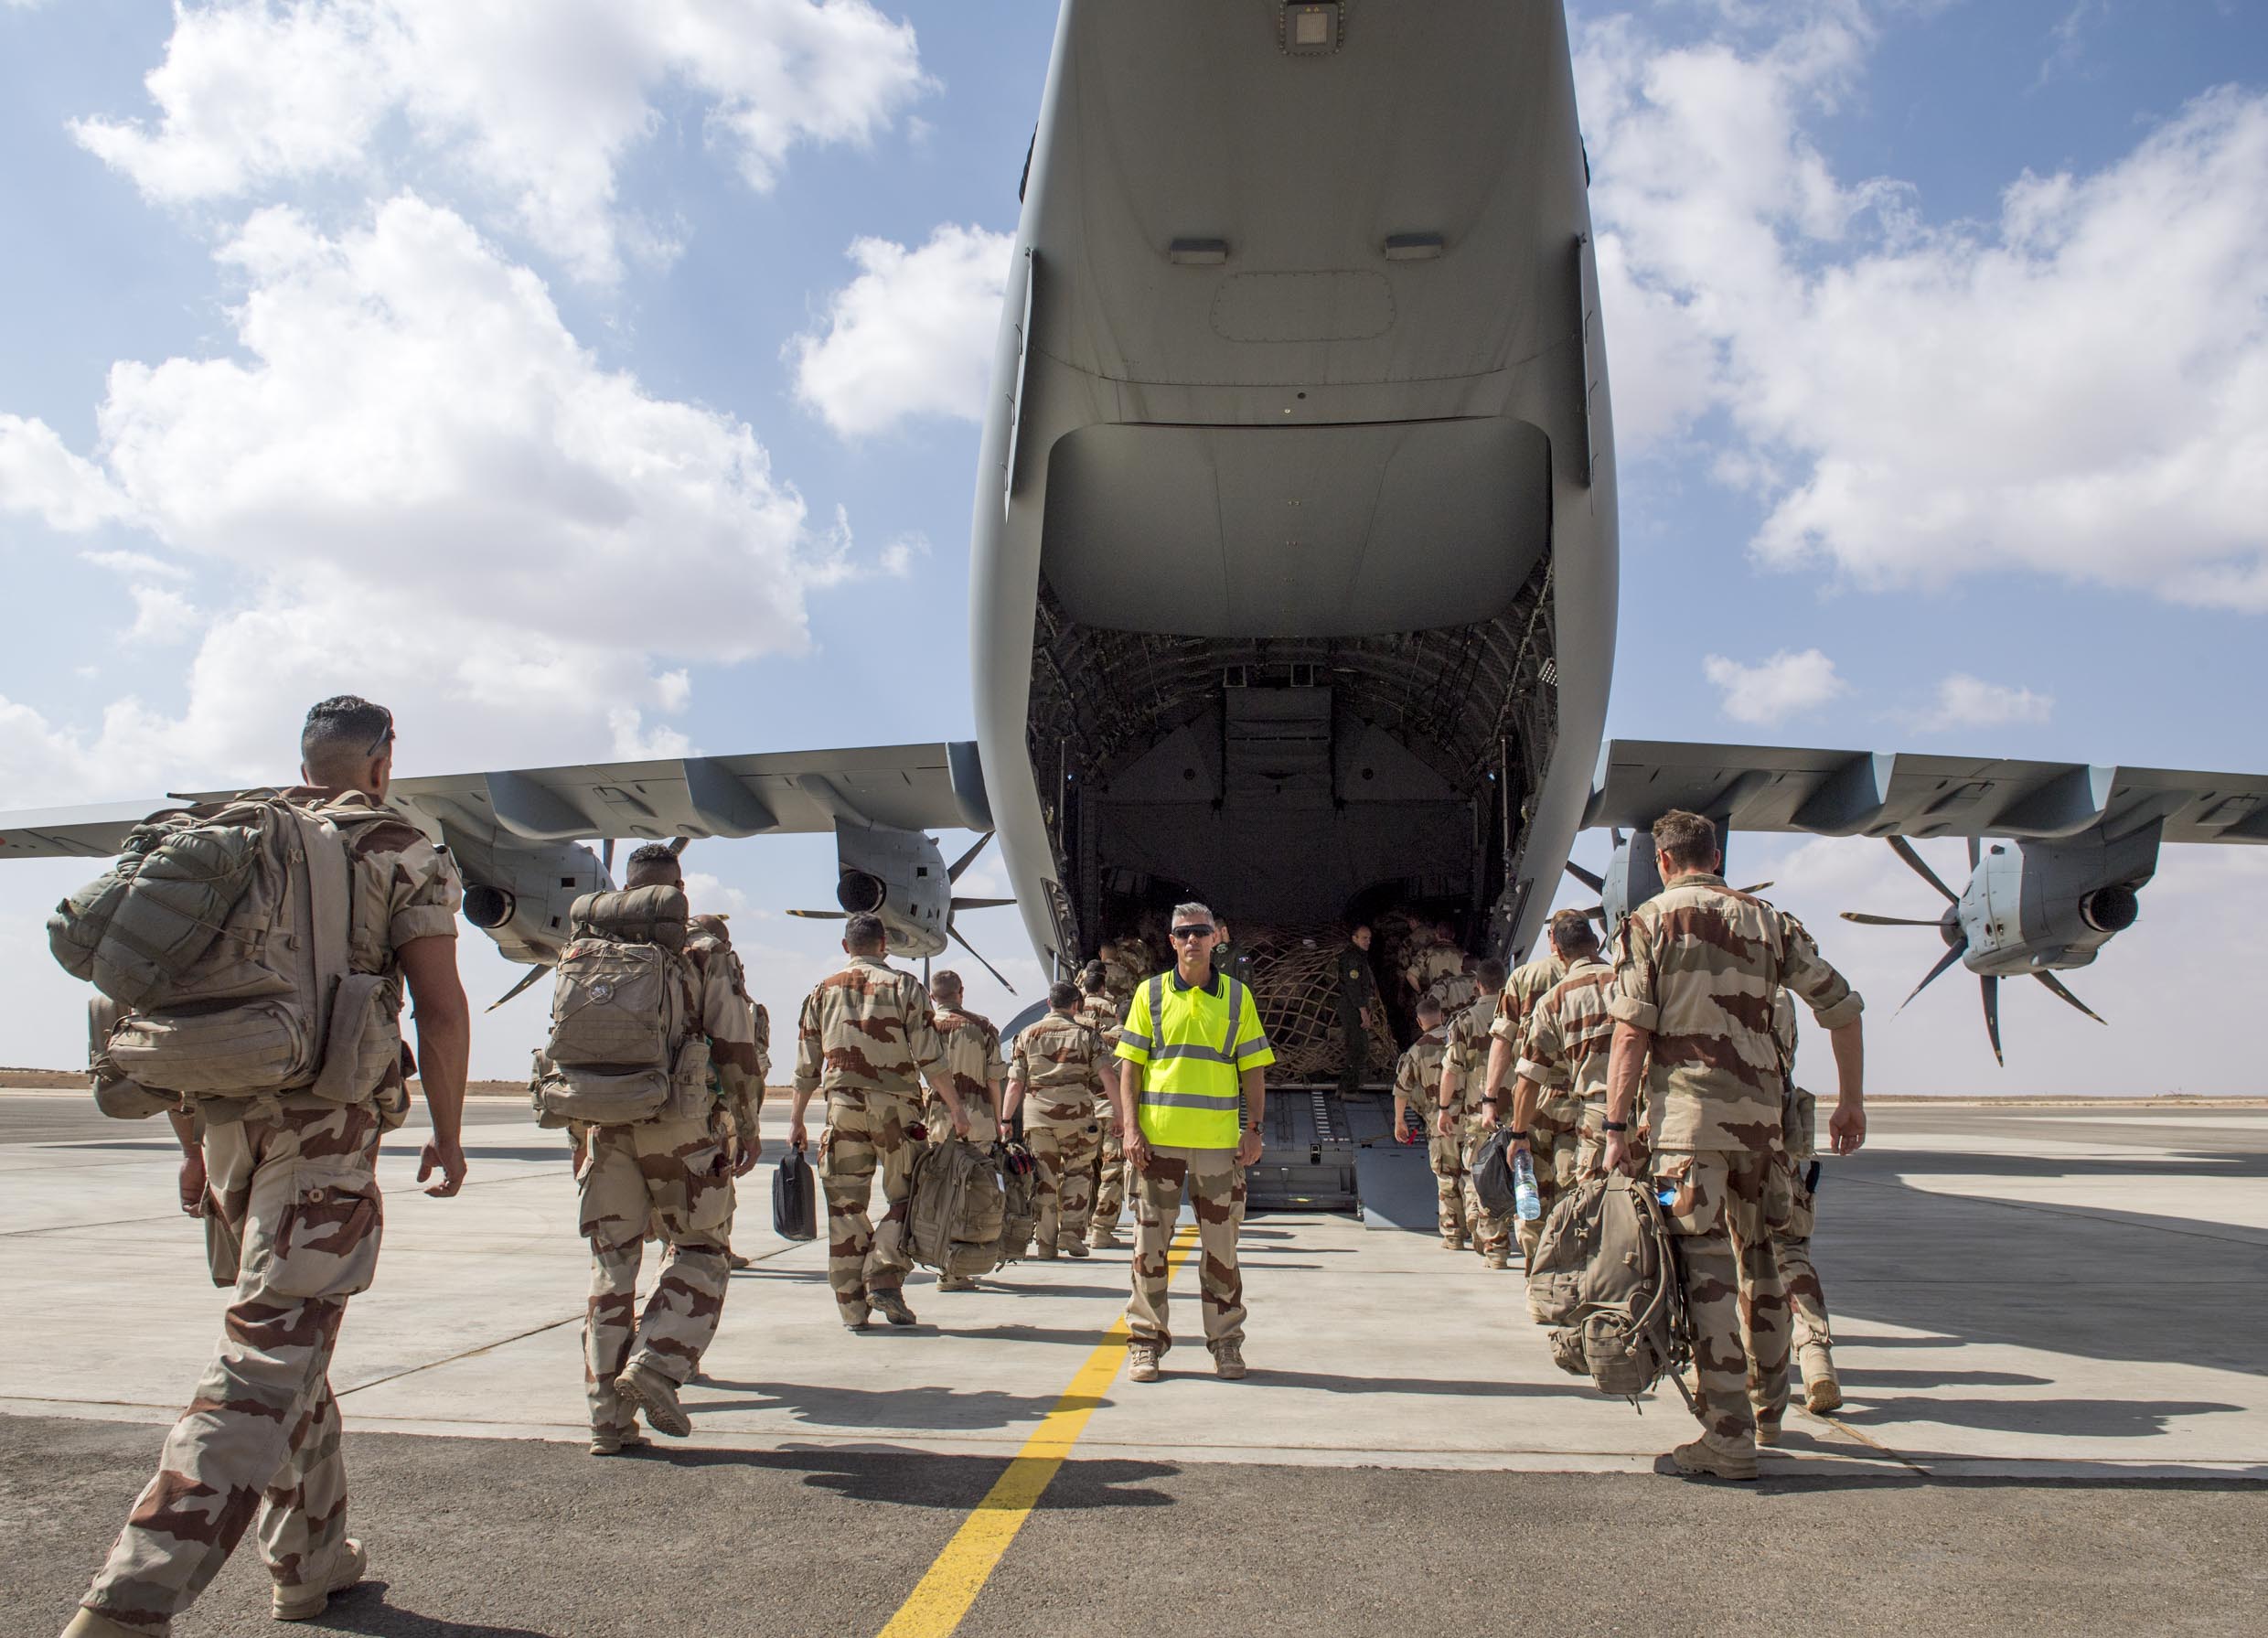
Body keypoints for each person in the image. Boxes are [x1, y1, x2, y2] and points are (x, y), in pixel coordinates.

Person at [66, 695, 469, 1637]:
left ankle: (309, 1563)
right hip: (321, 1134)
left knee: (296, 1350)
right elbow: (439, 1007)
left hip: (222, 1127)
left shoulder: (234, 836)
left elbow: (156, 999)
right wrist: (447, 1137)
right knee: (264, 1359)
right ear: (384, 759)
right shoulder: (399, 844)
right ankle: (132, 1599)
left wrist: (190, 1152)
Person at [1602, 809, 1866, 1481]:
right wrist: (1851, 1100)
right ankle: (1768, 1410)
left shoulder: (1649, 922)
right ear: (1715, 855)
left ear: (1662, 863)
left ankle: (1728, 1437)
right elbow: (1839, 1005)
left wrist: (1612, 1128)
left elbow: (1631, 1033)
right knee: (1766, 1262)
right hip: (1765, 1128)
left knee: (1705, 1270)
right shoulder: (1771, 921)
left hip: (1686, 1134)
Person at [569, 854, 765, 1453]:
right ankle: (656, 1365)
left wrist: (579, 1135)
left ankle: (607, 1418)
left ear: (625, 887)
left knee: (612, 1270)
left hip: (605, 1124)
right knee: (703, 1248)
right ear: (679, 889)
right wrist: (748, 1119)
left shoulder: (586, 945)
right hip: (680, 1124)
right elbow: (734, 1039)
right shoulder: (702, 948)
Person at [1112, 902, 1274, 1381]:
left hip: (1219, 1147)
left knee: (1222, 1249)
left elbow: (1254, 1069)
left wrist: (1254, 1129)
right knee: (1149, 1247)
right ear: (1172, 941)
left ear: (1216, 938)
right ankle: (1145, 1342)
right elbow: (1131, 1067)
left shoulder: (1238, 998)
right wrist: (1131, 1128)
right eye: (1184, 933)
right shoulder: (1150, 993)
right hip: (1157, 1145)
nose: (1192, 940)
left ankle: (1226, 1343)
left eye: (1201, 932)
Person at [789, 914, 966, 1331]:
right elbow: (929, 1057)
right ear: (884, 944)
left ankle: (852, 1309)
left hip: (842, 1109)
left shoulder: (822, 991)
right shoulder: (905, 986)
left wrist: (796, 1119)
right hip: (897, 1111)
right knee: (912, 1197)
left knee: (846, 1209)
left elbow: (806, 1064)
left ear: (846, 946)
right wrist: (955, 1107)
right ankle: (883, 1273)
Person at [1763, 988, 1844, 1419]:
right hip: (1784, 1130)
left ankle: (1753, 1384)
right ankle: (1816, 1359)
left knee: (1723, 1256)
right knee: (1791, 1250)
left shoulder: (1699, 976)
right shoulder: (1780, 993)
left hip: (1719, 1137)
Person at [1501, 911, 1615, 1194]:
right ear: (1598, 942)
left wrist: (1518, 1132)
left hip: (1594, 1115)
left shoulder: (1554, 1001)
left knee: (1591, 1205)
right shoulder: (1628, 983)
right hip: (1642, 1115)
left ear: (1560, 953)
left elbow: (1529, 1076)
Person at [1003, 980, 1109, 1259]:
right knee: (1078, 1173)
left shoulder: (1026, 1034)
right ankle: (1072, 1236)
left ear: (1049, 1003)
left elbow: (1015, 1084)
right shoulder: (1087, 1035)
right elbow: (1106, 1078)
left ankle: (1045, 1244)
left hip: (1038, 1117)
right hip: (1077, 1116)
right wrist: (1120, 1113)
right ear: (1076, 1005)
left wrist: (1005, 1119)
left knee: (1044, 1180)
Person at [1477, 945, 1568, 1266]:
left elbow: (1504, 1041)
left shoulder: (1526, 978)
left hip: (1538, 1102)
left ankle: (1539, 1275)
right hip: (1593, 1104)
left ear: (1553, 940)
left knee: (1532, 1188)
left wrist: (1490, 1099)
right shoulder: (1608, 979)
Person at [686, 911, 765, 1274]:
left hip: (675, 1098)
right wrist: (750, 1125)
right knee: (717, 1177)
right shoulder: (717, 972)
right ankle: (715, 1246)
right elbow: (740, 1054)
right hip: (714, 1102)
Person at [925, 969, 1007, 1290]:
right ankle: (962, 1266)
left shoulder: (925, 1027)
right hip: (979, 1123)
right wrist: (1000, 1122)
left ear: (933, 997)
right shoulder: (983, 1027)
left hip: (938, 1123)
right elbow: (993, 1079)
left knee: (943, 1194)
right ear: (962, 991)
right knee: (973, 1195)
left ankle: (945, 1266)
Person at [1434, 956, 1512, 1267]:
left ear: (1477, 986)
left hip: (1481, 1114)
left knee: (1485, 1176)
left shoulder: (1464, 1022)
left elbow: (1451, 1071)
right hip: (1520, 1110)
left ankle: (1495, 1249)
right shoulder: (1524, 1017)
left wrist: (1443, 1108)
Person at [1390, 996, 1460, 1247]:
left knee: (1447, 1179)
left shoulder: (1417, 1050)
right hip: (1471, 1121)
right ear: (1441, 1016)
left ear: (1419, 1022)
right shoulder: (1460, 1040)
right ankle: (1487, 1238)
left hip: (1440, 1123)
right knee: (1474, 1178)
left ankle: (1453, 1236)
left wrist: (1400, 1122)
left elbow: (1401, 1089)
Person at [1076, 962, 1131, 1248]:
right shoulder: (1135, 1041)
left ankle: (1078, 1224)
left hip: (1086, 1108)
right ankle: (1102, 1229)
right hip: (1115, 1112)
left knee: (1083, 1168)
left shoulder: (1093, 1040)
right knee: (1113, 1170)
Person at [1335, 923, 1381, 1095]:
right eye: (1364, 938)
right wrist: (1363, 1012)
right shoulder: (1353, 958)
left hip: (1352, 1005)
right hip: (1352, 1007)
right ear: (1354, 938)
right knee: (1358, 1048)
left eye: (1369, 938)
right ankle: (1350, 1090)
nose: (1368, 942)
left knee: (1355, 1047)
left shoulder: (1357, 956)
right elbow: (1353, 987)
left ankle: (1343, 1088)